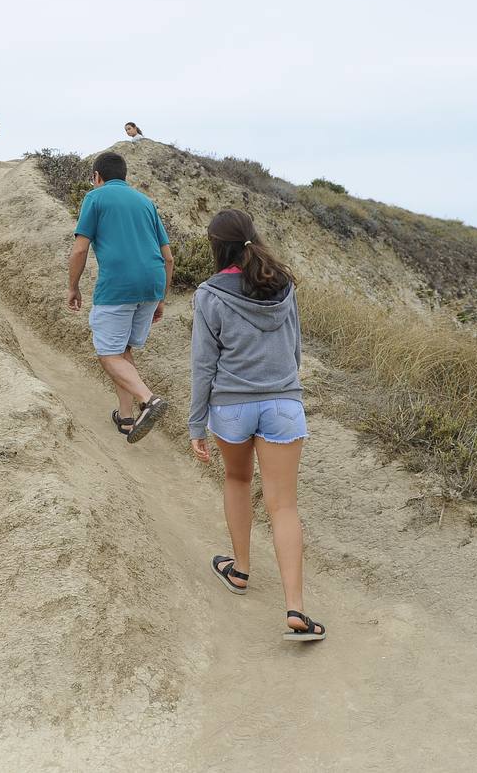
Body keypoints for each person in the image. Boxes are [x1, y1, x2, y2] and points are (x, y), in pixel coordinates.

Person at [188, 209, 326, 642]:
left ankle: (241, 569)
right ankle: (296, 610)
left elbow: (203, 365)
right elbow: (296, 350)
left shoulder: (209, 294)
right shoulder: (283, 286)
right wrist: (282, 388)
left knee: (237, 479)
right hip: (283, 402)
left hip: (230, 406)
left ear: (216, 245)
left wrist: (196, 423)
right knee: (284, 505)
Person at [68, 151, 174, 443]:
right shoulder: (146, 202)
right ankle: (127, 418)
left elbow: (79, 250)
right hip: (152, 284)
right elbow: (169, 258)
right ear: (124, 177)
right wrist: (162, 298)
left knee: (108, 355)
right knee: (124, 349)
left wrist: (73, 287)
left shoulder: (95, 197)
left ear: (97, 177)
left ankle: (148, 399)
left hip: (118, 286)